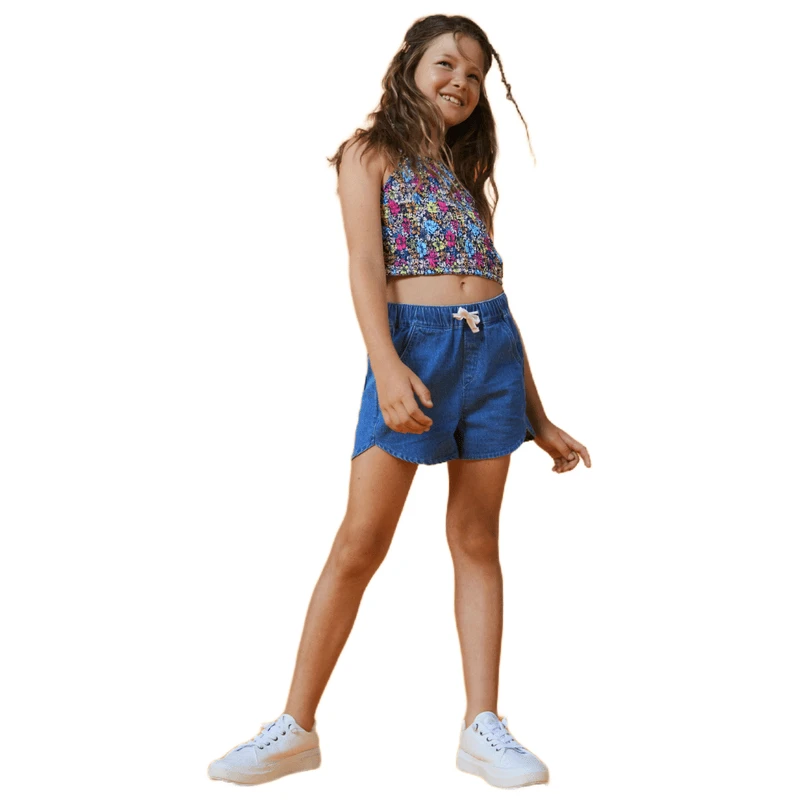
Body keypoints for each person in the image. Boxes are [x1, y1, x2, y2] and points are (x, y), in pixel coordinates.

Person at [208, 13, 591, 790]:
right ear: (411, 65)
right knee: (361, 541)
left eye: (475, 74)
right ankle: (295, 726)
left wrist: (538, 416)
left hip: (492, 350)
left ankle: (483, 725)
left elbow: (497, 297)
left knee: (476, 539)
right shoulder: (369, 153)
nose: (461, 81)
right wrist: (385, 364)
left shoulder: (462, 171)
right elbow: (363, 266)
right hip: (414, 351)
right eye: (447, 63)